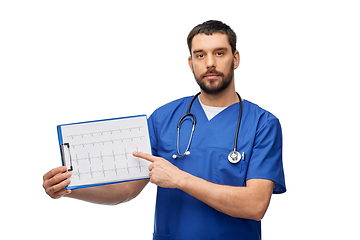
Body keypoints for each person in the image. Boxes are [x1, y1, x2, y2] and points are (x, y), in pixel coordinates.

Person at [43, 20, 286, 239]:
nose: (210, 63)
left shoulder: (262, 124)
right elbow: (126, 189)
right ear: (191, 63)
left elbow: (255, 205)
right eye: (200, 55)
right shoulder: (164, 118)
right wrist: (70, 189)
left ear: (235, 58)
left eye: (219, 53)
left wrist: (180, 179)